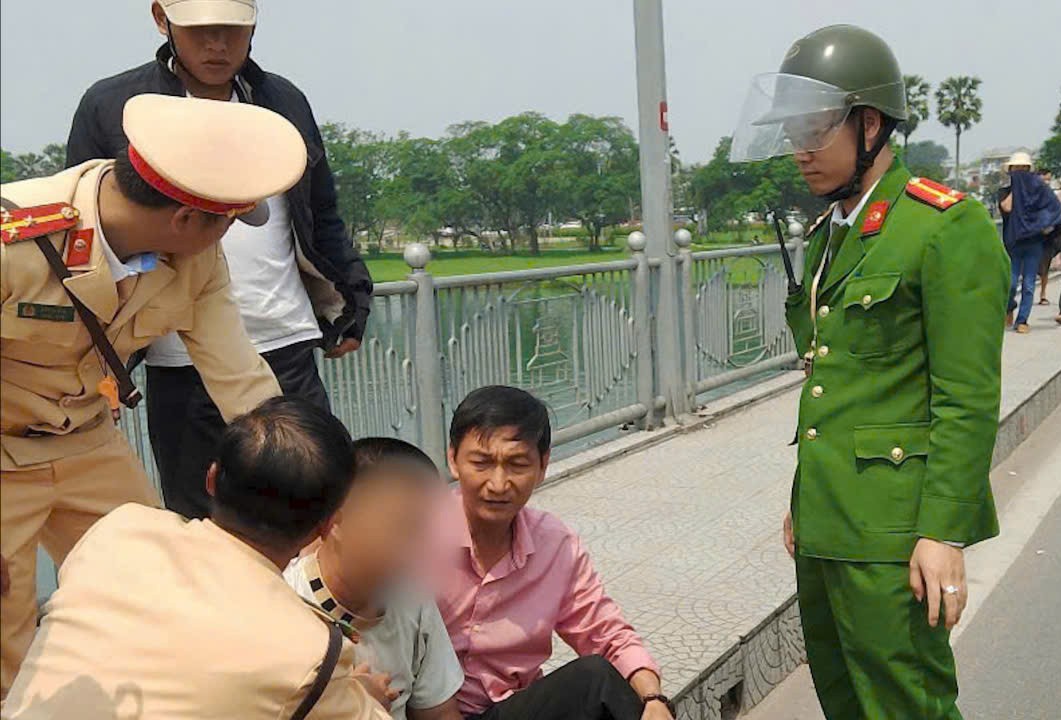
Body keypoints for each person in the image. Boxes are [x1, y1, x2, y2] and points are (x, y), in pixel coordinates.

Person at [730, 25, 1010, 719]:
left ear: (870, 123)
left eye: (815, 128)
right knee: (845, 701)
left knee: (906, 704)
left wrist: (943, 533)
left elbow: (966, 398)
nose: (800, 147)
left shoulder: (943, 227)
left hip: (894, 534)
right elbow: (833, 383)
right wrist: (805, 500)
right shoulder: (832, 233)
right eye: (792, 129)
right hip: (827, 523)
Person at [0, 93, 310, 693]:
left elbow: (239, 375)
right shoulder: (14, 239)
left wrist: (312, 473)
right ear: (187, 219)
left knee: (154, 588)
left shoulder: (196, 259)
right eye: (226, 222)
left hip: (87, 441)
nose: (225, 238)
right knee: (5, 628)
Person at [65, 0, 374, 520]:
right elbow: (87, 240)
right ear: (162, 19)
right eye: (201, 30)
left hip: (283, 341)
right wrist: (101, 369)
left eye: (232, 29)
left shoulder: (283, 101)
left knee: (311, 507)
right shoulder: (116, 105)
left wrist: (351, 303)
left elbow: (320, 211)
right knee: (200, 518)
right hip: (176, 352)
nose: (217, 45)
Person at [1, 397, 390, 720]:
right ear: (326, 526)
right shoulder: (310, 651)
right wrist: (368, 700)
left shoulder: (119, 530)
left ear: (212, 479)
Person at [434, 386, 674, 720]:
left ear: (543, 466)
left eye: (517, 464)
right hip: (429, 713)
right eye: (482, 463)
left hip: (513, 710)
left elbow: (605, 632)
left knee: (597, 681)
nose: (498, 484)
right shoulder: (417, 535)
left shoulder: (555, 544)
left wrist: (654, 698)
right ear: (453, 460)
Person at [286, 437, 464, 720]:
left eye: (427, 528)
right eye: (405, 527)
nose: (424, 548)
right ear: (337, 521)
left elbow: (440, 712)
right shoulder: (286, 603)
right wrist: (351, 709)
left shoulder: (413, 597)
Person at [998, 152, 1061, 332]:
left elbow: (1054, 208)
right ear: (1011, 170)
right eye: (1016, 169)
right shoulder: (1005, 191)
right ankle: (1009, 307)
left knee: (1028, 284)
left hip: (1034, 243)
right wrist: (1017, 188)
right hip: (1013, 243)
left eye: (1023, 169)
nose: (1020, 172)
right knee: (1011, 284)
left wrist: (1045, 226)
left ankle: (1022, 321)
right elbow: (1006, 207)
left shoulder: (1039, 190)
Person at [1034, 169, 1061, 306]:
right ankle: (1040, 293)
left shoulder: (1053, 195)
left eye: (1049, 179)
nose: (1047, 182)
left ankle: (1043, 294)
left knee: (1045, 266)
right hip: (1039, 236)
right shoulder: (1032, 195)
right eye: (1045, 179)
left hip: (1055, 234)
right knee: (1040, 267)